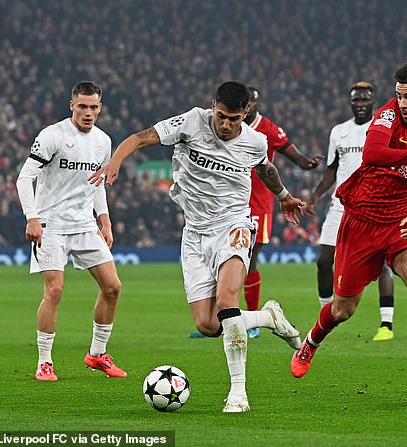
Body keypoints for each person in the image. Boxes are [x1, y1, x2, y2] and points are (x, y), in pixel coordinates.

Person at [89, 81, 305, 413]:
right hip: (194, 233)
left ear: (245, 114)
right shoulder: (192, 122)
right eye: (221, 115)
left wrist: (285, 197)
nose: (226, 124)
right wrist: (116, 161)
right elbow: (141, 137)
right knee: (207, 325)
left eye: (234, 118)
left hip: (233, 225)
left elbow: (267, 169)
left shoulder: (254, 141)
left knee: (227, 303)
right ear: (212, 106)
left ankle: (238, 393)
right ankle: (268, 317)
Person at [291, 60, 407, 399]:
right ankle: (310, 342)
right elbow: (373, 153)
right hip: (361, 223)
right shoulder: (388, 116)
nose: (402, 104)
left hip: (400, 223)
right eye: (398, 96)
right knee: (343, 310)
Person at [188, 86, 324, 339]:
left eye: (253, 102)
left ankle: (248, 320)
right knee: (222, 264)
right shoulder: (217, 128)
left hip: (258, 205)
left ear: (253, 107)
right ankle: (221, 318)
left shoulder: (267, 130)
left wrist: (307, 163)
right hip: (225, 206)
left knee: (246, 262)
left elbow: (291, 154)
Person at [16, 81, 126, 381]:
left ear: (100, 108)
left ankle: (97, 354)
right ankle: (44, 361)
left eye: (93, 107)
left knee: (113, 287)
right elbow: (24, 179)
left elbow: (97, 183)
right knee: (55, 290)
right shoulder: (52, 136)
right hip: (51, 225)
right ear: (72, 106)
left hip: (84, 225)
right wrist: (32, 217)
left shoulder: (103, 141)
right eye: (82, 107)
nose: (88, 113)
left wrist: (105, 221)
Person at [307, 81, 395, 342]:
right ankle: (327, 312)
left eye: (364, 100)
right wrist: (314, 196)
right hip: (340, 205)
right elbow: (332, 169)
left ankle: (386, 325)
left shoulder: (381, 129)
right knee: (324, 261)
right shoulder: (339, 132)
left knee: (381, 265)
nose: (360, 104)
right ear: (350, 102)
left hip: (373, 207)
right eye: (356, 100)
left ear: (372, 101)